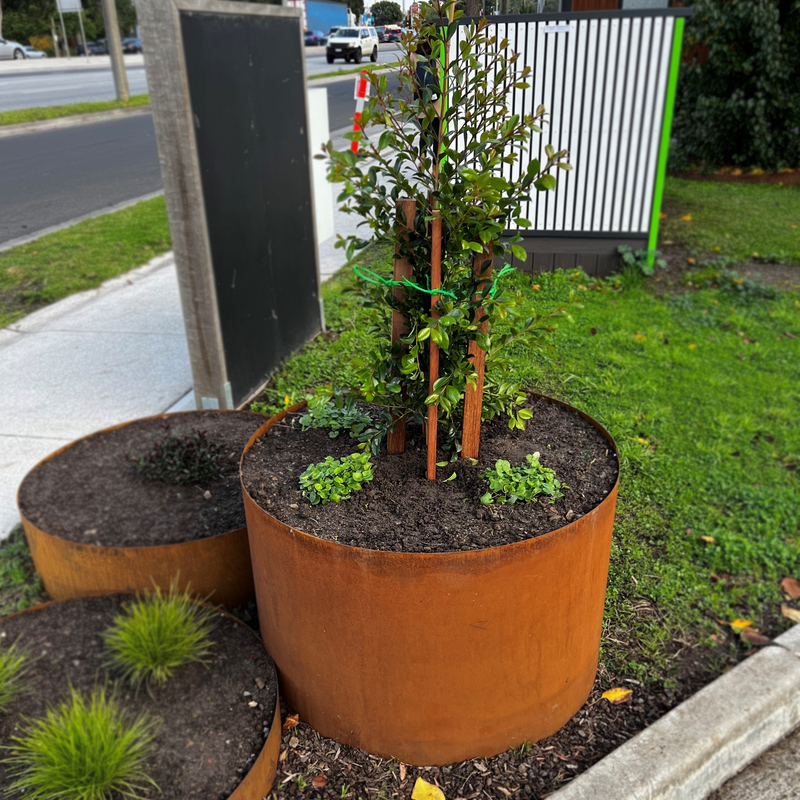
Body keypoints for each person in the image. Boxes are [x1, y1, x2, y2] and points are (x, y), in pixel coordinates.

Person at [411, 37, 442, 160]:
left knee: (423, 131)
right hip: (436, 99)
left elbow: (412, 78)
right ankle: (435, 168)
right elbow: (440, 75)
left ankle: (422, 157)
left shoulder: (414, 56)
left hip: (421, 98)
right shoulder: (437, 54)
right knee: (436, 135)